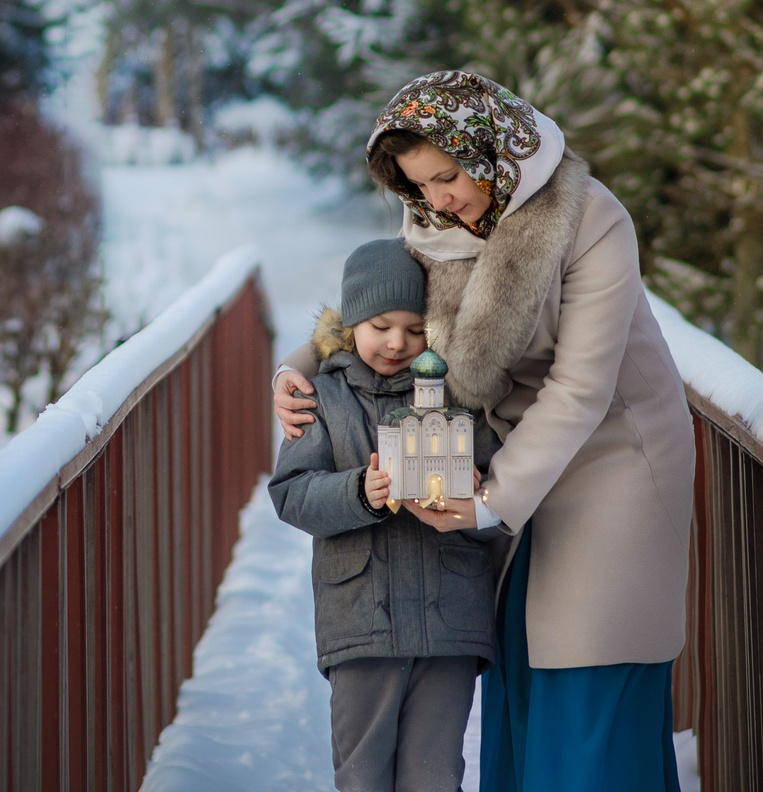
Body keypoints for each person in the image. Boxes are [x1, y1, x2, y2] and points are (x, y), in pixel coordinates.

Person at [275, 71, 695, 791]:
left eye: (446, 175)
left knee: (588, 672)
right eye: (418, 184)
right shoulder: (437, 221)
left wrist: (492, 503)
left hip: (610, 462)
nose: (437, 198)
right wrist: (297, 367)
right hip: (504, 463)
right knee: (525, 668)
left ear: (493, 148)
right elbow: (379, 305)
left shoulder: (591, 219)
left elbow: (580, 386)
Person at [269, 237, 505, 792]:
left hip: (450, 617)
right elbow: (291, 493)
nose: (398, 342)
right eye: (380, 325)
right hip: (362, 621)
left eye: (415, 328)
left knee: (435, 773)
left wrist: (478, 486)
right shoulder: (321, 397)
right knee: (363, 774)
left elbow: (502, 473)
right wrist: (359, 491)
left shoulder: (460, 393)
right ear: (350, 324)